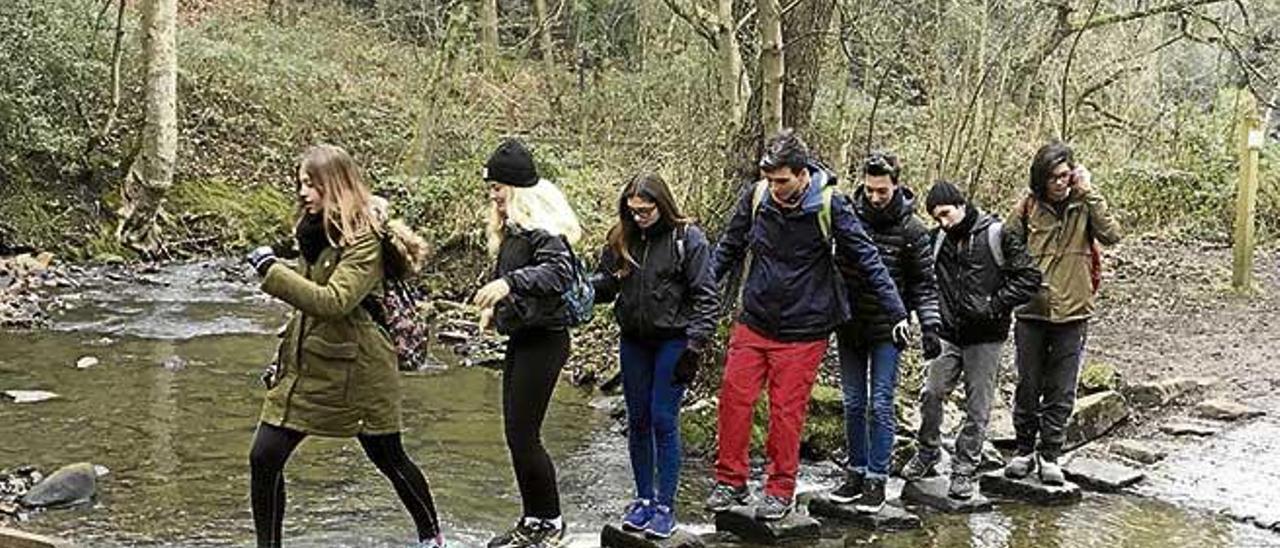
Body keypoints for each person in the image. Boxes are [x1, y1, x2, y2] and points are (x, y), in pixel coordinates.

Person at [244, 144, 443, 548]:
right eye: (300, 183)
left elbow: (335, 301)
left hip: (359, 372)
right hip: (308, 366)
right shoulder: (312, 232)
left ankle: (433, 539)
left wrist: (273, 272)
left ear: (335, 185)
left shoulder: (364, 238)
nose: (303, 192)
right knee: (263, 457)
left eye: (311, 184)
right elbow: (310, 306)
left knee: (389, 457)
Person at [704, 130, 908, 520]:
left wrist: (897, 312)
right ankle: (731, 481)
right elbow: (727, 249)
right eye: (770, 179)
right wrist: (701, 295)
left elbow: (867, 259)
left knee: (786, 411)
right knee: (734, 397)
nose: (775, 187)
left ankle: (780, 489)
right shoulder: (757, 197)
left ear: (802, 174)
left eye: (782, 180)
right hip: (755, 318)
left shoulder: (831, 205)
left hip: (805, 327)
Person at [590, 172, 719, 538]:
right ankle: (643, 498)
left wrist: (695, 347)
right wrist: (583, 287)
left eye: (645, 211)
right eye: (632, 211)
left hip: (674, 341)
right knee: (638, 420)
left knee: (664, 419)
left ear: (661, 205)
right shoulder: (621, 238)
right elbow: (607, 284)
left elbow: (706, 296)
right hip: (633, 340)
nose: (638, 217)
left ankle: (666, 505)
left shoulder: (687, 240)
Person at [900, 180, 1041, 499]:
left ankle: (964, 467)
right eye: (937, 218)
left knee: (978, 407)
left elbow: (1030, 277)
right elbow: (922, 282)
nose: (943, 222)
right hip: (948, 334)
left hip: (986, 337)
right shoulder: (936, 240)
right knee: (932, 393)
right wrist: (929, 325)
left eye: (946, 214)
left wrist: (995, 304)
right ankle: (927, 452)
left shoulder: (998, 234)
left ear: (961, 205)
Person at [472, 138, 581, 548]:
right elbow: (521, 288)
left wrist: (507, 283)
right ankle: (532, 519)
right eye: (491, 188)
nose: (493, 195)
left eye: (498, 187)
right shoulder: (513, 231)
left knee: (525, 435)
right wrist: (494, 310)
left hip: (546, 341)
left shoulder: (543, 231)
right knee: (516, 434)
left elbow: (556, 275)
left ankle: (550, 522)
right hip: (524, 337)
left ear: (517, 189)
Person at [828, 151, 942, 513]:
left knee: (880, 403)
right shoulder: (846, 217)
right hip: (848, 323)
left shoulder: (912, 231)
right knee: (852, 402)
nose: (875, 197)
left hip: (890, 328)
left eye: (883, 191)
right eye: (870, 189)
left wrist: (930, 326)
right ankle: (856, 472)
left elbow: (924, 284)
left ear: (896, 185)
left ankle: (877, 478)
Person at [1003, 142, 1122, 484]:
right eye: (1053, 176)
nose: (1060, 182)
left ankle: (1051, 454)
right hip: (1031, 310)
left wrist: (1090, 193)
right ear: (1041, 178)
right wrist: (1023, 276)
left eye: (1065, 175)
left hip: (1073, 310)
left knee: (1062, 387)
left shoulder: (1084, 204)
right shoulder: (1028, 206)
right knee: (1028, 384)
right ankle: (1024, 449)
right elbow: (1006, 243)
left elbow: (1112, 235)